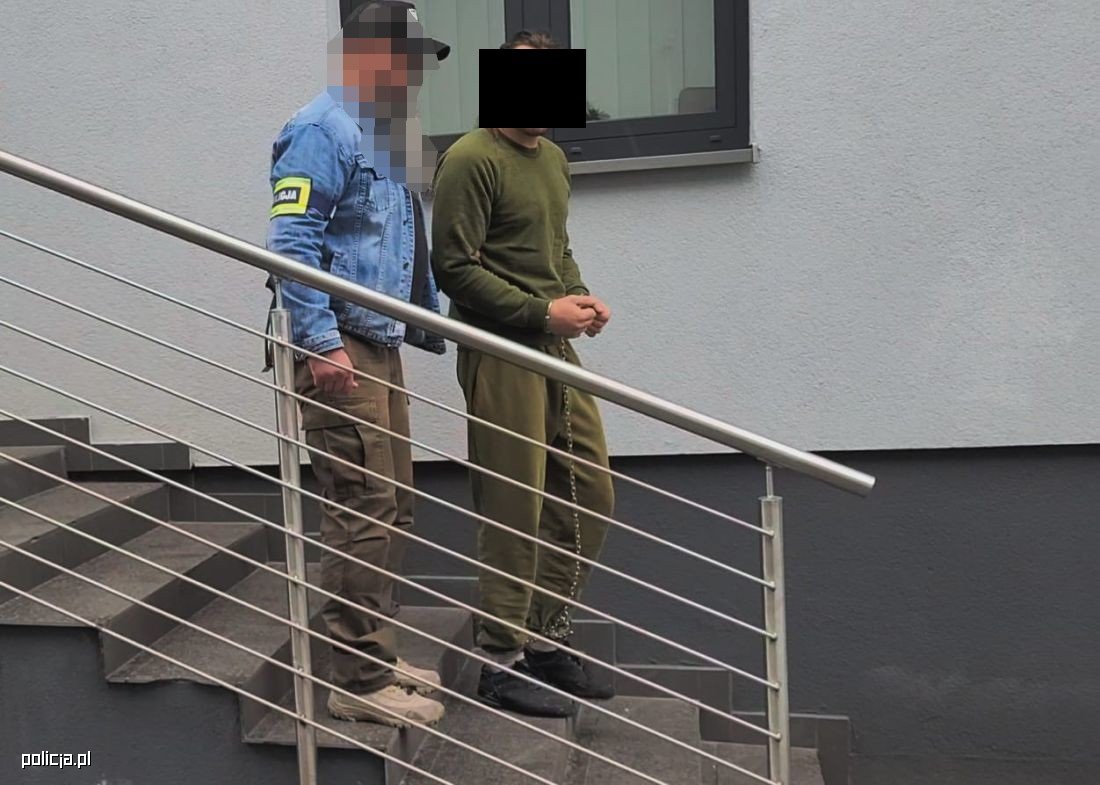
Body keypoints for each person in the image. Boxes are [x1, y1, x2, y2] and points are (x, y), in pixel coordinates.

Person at [264, 0, 449, 727]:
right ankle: (357, 678)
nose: (415, 74)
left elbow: (398, 241)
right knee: (361, 506)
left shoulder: (381, 131)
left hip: (378, 341)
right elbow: (291, 242)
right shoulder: (322, 129)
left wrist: (424, 322)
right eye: (408, 59)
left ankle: (374, 649)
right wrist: (320, 343)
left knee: (392, 502)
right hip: (339, 345)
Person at [430, 31, 616, 718]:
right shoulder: (470, 158)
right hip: (501, 351)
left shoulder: (554, 160)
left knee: (589, 491)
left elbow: (555, 249)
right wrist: (542, 311)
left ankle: (545, 637)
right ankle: (499, 659)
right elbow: (453, 268)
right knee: (514, 503)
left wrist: (580, 297)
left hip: (553, 346)